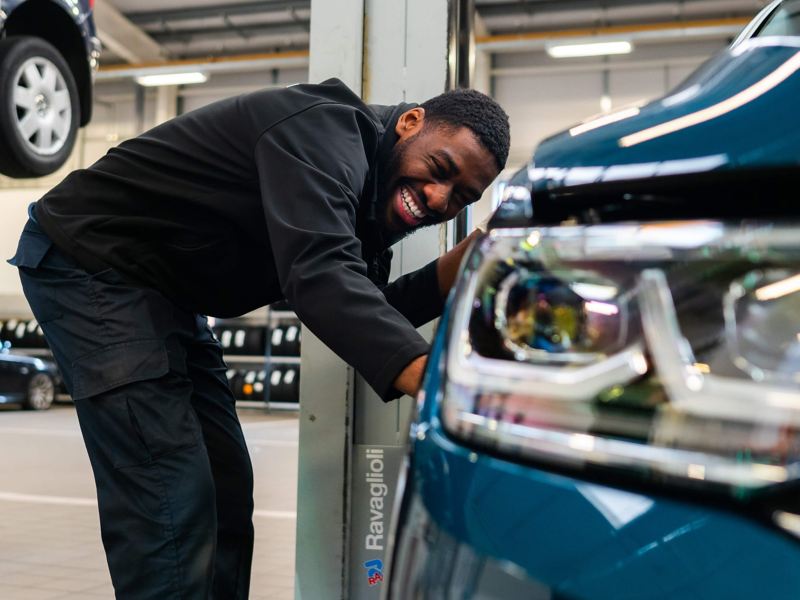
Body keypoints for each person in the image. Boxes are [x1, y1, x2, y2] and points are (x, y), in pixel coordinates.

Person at [8, 78, 510, 599]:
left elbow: (366, 310)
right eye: (440, 170)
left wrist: (461, 265)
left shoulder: (367, 196)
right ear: (411, 123)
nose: (437, 198)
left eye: (461, 198)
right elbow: (322, 278)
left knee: (226, 487)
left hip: (162, 290)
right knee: (169, 494)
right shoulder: (324, 131)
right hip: (89, 260)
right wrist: (446, 389)